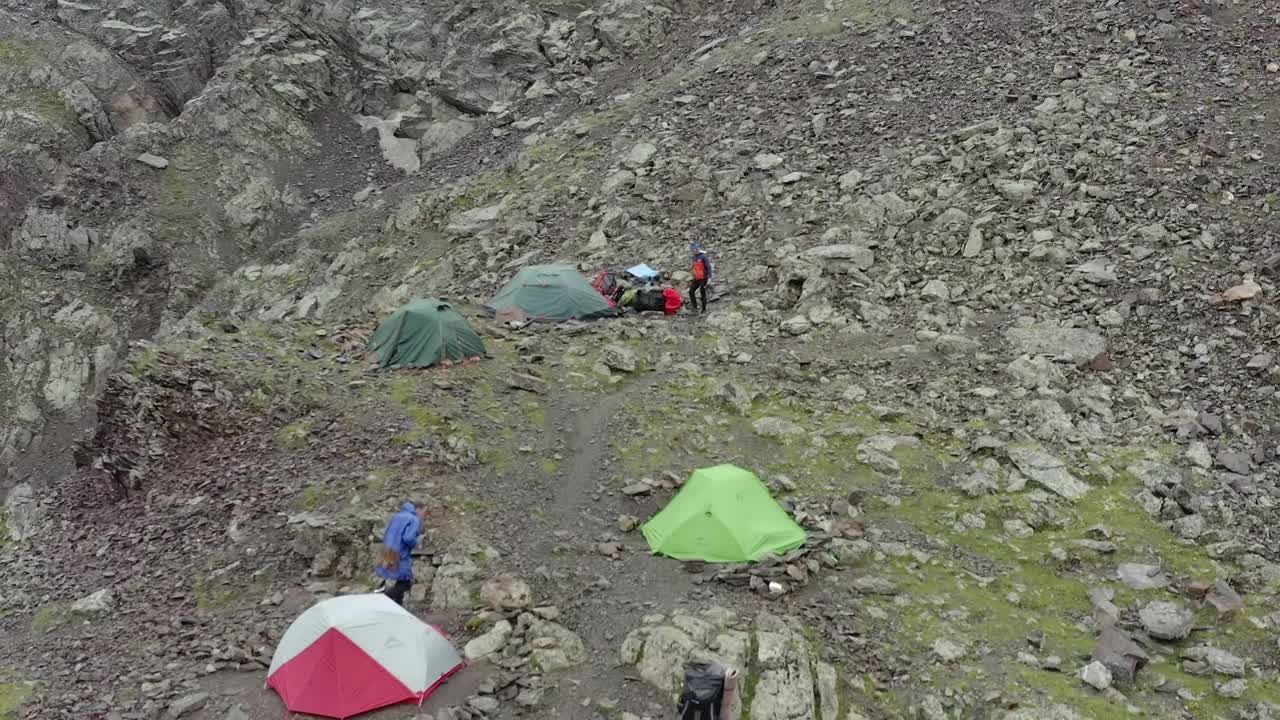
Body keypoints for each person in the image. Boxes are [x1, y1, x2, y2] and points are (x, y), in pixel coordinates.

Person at [376, 500, 427, 606]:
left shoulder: (398, 516)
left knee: (400, 581)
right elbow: (408, 538)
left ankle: (398, 606)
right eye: (424, 512)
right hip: (399, 554)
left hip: (386, 551)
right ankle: (380, 599)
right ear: (418, 509)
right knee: (405, 584)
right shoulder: (414, 519)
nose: (424, 515)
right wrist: (416, 542)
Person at [688, 243, 713, 314]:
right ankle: (694, 307)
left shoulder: (703, 257)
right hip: (696, 278)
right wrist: (692, 272)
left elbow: (709, 267)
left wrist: (709, 277)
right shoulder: (694, 257)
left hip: (704, 278)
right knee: (691, 291)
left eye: (695, 249)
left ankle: (704, 309)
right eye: (692, 250)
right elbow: (694, 267)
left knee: (702, 293)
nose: (693, 251)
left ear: (697, 249)